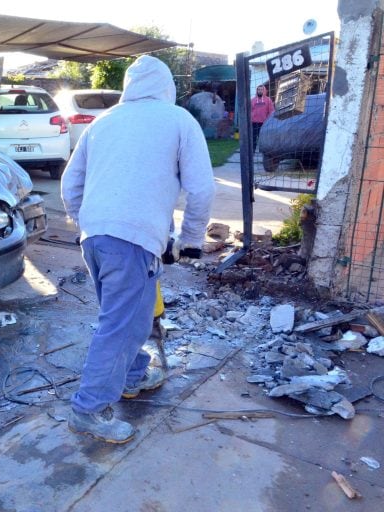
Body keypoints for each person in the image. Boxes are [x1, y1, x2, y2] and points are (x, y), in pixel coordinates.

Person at [60, 55, 215, 444]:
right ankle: (88, 410)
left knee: (124, 317)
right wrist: (191, 241)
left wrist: (88, 223)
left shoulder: (102, 122)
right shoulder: (179, 119)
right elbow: (201, 188)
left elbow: (69, 184)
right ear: (167, 87)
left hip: (94, 237)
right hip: (131, 241)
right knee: (121, 324)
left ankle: (132, 375)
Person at [250, 84, 275, 153]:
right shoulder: (252, 100)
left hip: (264, 123)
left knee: (263, 139)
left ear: (264, 91)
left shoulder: (268, 100)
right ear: (257, 91)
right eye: (258, 90)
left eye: (261, 90)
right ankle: (252, 152)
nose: (260, 91)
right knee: (253, 139)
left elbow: (271, 111)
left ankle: (264, 152)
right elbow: (249, 111)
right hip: (254, 123)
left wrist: (269, 121)